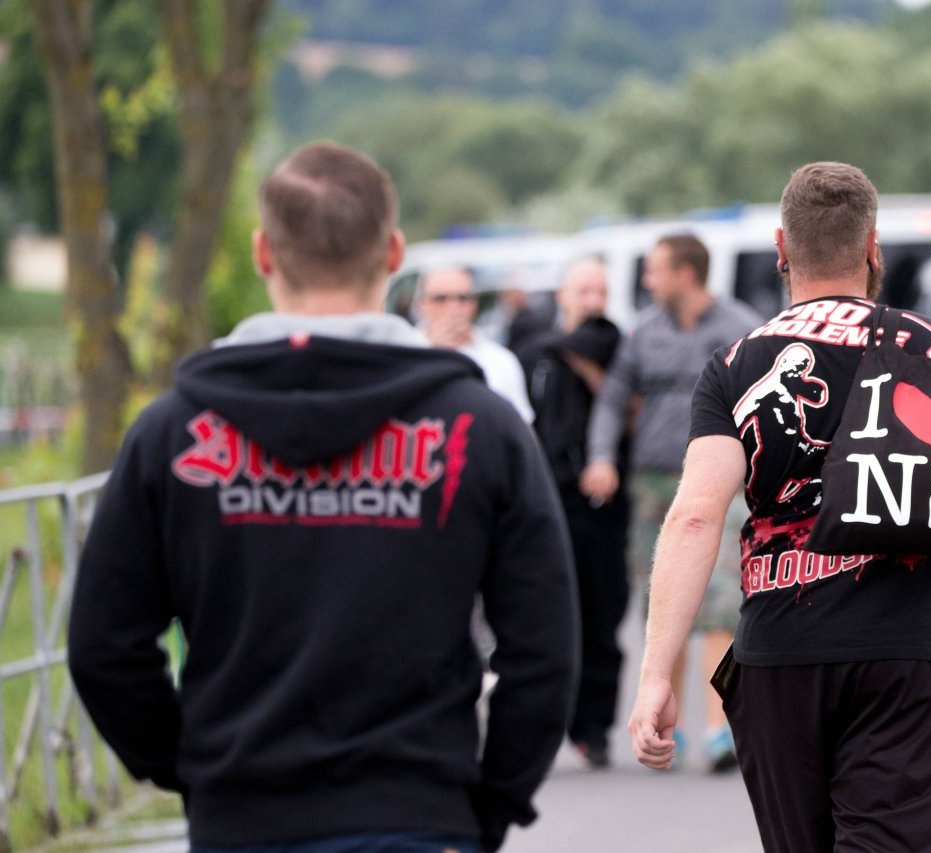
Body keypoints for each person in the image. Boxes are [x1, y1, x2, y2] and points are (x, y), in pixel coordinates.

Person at [67, 141, 579, 853]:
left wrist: (195, 769)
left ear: (263, 253)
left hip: (242, 818)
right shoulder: (477, 425)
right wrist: (490, 801)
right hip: (420, 815)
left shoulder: (174, 430)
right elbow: (546, 644)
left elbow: (104, 644)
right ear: (395, 252)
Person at [628, 162, 931, 852]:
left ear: (783, 248)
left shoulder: (737, 362)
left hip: (780, 658)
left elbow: (696, 514)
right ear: (872, 246)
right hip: (907, 656)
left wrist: (654, 678)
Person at [580, 233, 761, 772]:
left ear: (686, 274)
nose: (646, 281)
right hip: (653, 483)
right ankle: (667, 726)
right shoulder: (645, 333)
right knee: (662, 601)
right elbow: (613, 399)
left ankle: (719, 727)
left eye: (654, 270)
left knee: (722, 601)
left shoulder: (738, 328)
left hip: (720, 484)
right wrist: (600, 456)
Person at [515, 257, 629, 769]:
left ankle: (595, 728)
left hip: (602, 502)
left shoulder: (613, 344)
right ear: (562, 293)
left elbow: (632, 408)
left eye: (601, 291)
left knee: (603, 615)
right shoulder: (534, 353)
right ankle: (546, 723)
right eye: (584, 290)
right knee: (545, 616)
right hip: (545, 497)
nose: (593, 300)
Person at [416, 266, 536, 424]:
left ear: (474, 304)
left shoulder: (501, 361)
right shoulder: (402, 355)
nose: (454, 307)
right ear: (422, 304)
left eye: (463, 298)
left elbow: (521, 426)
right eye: (441, 299)